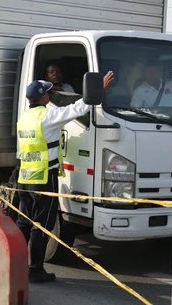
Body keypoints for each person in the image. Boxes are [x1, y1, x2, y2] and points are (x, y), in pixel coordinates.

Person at [16, 71, 114, 283]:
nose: (51, 95)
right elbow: (76, 110)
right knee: (41, 225)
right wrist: (98, 91)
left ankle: (15, 266)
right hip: (43, 178)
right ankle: (35, 270)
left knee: (23, 223)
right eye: (49, 93)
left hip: (24, 178)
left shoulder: (25, 118)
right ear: (43, 98)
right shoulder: (47, 116)